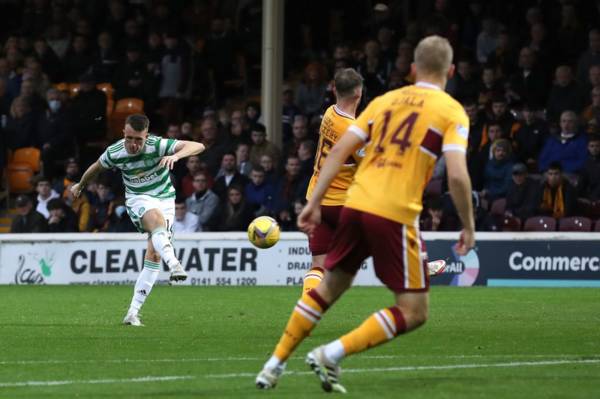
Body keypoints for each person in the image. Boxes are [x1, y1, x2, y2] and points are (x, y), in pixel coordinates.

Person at [256, 35, 475, 392]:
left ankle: (273, 365)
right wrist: (468, 225)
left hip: (354, 202)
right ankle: (330, 354)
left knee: (328, 284)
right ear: (451, 70)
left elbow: (341, 148)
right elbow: (456, 174)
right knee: (414, 311)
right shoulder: (451, 111)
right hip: (391, 210)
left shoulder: (385, 102)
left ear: (412, 69)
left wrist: (312, 202)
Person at [70, 114, 205, 326]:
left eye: (138, 140)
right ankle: (175, 264)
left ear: (146, 136)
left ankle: (132, 313)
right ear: (124, 133)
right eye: (129, 138)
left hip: (166, 198)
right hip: (138, 198)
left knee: (153, 254)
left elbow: (197, 145)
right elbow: (96, 167)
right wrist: (81, 184)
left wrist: (176, 156)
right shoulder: (115, 152)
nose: (133, 144)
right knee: (156, 220)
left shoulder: (157, 145)